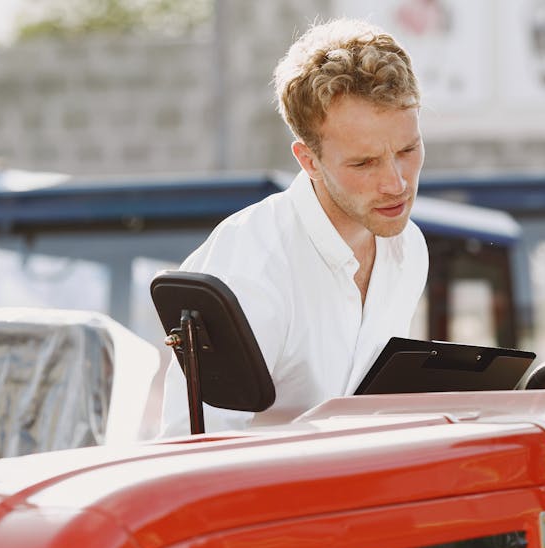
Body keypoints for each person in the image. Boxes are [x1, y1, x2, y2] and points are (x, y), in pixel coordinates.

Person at [157, 18, 428, 437]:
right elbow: (194, 448)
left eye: (408, 150)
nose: (396, 184)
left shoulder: (409, 248)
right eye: (364, 163)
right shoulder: (251, 268)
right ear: (308, 161)